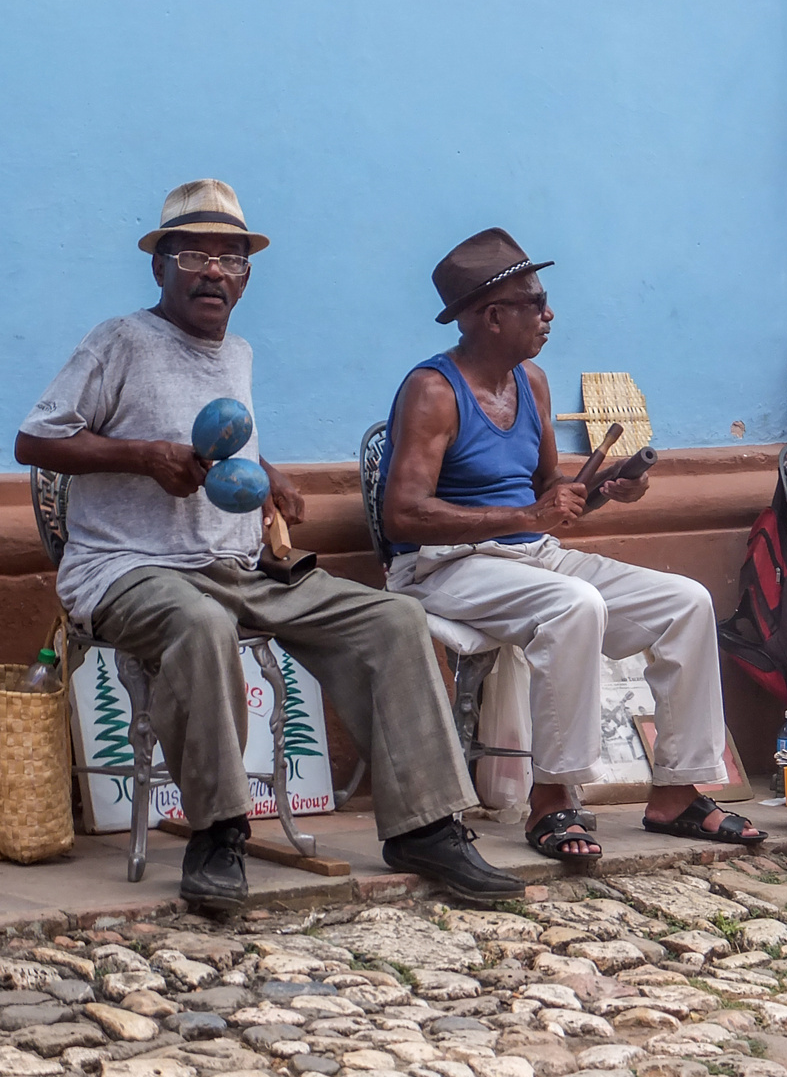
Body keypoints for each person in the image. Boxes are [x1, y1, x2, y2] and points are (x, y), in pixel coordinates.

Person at [14, 180, 527, 909]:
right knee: (200, 625)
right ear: (159, 267)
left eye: (231, 258)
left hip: (238, 564)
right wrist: (144, 456)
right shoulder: (119, 340)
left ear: (247, 277)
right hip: (130, 568)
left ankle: (425, 826)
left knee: (394, 620)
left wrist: (269, 473)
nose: (214, 271)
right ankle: (218, 834)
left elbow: (226, 440)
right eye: (193, 253)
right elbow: (35, 439)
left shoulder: (239, 353)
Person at [378, 228, 765, 861]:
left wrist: (607, 487)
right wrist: (528, 514)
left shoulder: (530, 381)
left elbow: (548, 489)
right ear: (491, 315)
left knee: (687, 601)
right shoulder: (433, 391)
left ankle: (677, 791)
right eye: (533, 302)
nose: (548, 314)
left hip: (531, 557)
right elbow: (404, 514)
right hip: (444, 567)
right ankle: (552, 800)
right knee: (575, 604)